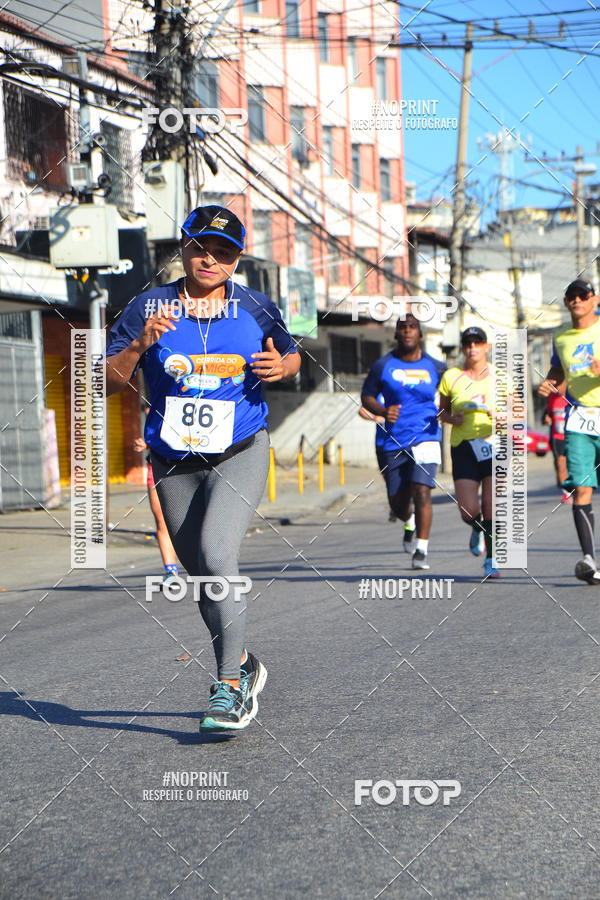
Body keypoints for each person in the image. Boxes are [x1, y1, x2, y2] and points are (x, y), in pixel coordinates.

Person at [105, 205, 301, 731]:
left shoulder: (256, 306)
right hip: (174, 459)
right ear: (184, 248)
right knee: (202, 576)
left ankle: (229, 688)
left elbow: (291, 353)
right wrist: (143, 343)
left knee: (218, 555)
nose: (209, 259)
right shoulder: (148, 306)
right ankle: (242, 662)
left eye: (222, 252)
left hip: (240, 448)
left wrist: (281, 367)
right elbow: (106, 380)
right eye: (200, 247)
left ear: (236, 259)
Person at [361, 314, 445, 570]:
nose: (407, 332)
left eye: (412, 328)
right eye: (403, 328)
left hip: (427, 437)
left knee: (422, 491)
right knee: (397, 503)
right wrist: (384, 412)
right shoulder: (383, 365)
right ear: (396, 334)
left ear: (420, 334)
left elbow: (453, 392)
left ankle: (422, 549)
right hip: (394, 440)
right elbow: (367, 396)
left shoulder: (437, 367)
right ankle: (408, 521)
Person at [538, 278, 600, 585]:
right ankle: (590, 559)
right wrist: (550, 382)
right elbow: (558, 369)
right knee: (581, 486)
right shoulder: (561, 336)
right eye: (571, 296)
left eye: (583, 295)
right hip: (580, 419)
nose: (577, 300)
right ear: (566, 303)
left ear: (594, 299)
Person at [438, 326, 499, 579]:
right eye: (468, 344)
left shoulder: (500, 377)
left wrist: (500, 417)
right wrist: (454, 419)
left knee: (491, 506)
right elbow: (441, 413)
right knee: (467, 510)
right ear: (463, 348)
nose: (473, 348)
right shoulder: (451, 376)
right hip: (463, 447)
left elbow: (517, 412)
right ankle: (477, 529)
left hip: (494, 445)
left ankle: (491, 559)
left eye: (478, 343)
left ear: (486, 346)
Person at [133, 432, 180, 586]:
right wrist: (144, 444)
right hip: (156, 465)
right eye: (146, 408)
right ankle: (171, 572)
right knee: (162, 520)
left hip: (185, 465)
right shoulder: (152, 415)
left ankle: (208, 566)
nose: (147, 411)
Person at [357, 396, 400, 524]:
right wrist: (374, 417)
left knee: (400, 475)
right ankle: (394, 506)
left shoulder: (399, 392)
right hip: (381, 443)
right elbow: (362, 410)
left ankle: (402, 504)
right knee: (387, 476)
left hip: (398, 442)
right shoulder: (378, 395)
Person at [542, 383, 570, 503]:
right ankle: (566, 492)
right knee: (560, 463)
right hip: (556, 436)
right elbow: (546, 415)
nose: (557, 388)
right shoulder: (551, 398)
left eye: (560, 385)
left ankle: (576, 486)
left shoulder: (572, 396)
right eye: (555, 386)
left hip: (571, 435)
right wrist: (546, 418)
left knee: (572, 463)